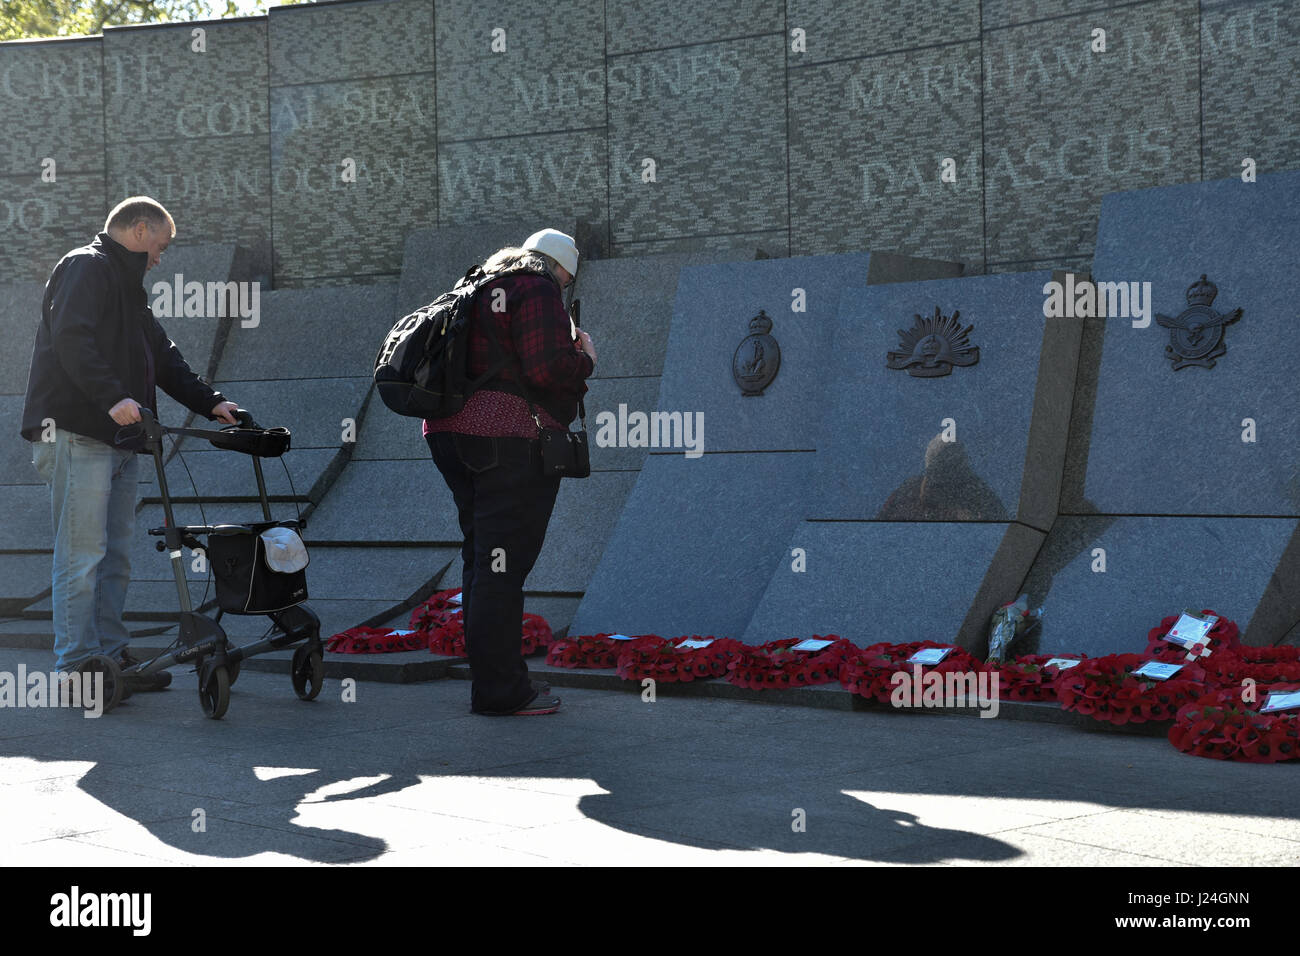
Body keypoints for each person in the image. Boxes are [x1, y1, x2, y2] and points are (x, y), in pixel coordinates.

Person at [20, 196, 239, 691]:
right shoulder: (85, 266)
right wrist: (113, 395)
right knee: (82, 555)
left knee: (114, 554)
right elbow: (72, 339)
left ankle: (111, 661)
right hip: (79, 433)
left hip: (121, 439)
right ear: (139, 231)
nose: (160, 258)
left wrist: (212, 404)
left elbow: (162, 356)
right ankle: (77, 666)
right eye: (159, 246)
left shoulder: (126, 286)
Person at [424, 229, 596, 715]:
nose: (562, 286)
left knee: (483, 560)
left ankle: (495, 683)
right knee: (503, 568)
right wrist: (584, 358)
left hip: (448, 435)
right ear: (561, 268)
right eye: (566, 279)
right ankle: (501, 691)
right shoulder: (536, 286)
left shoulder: (477, 284)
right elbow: (546, 370)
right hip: (504, 440)